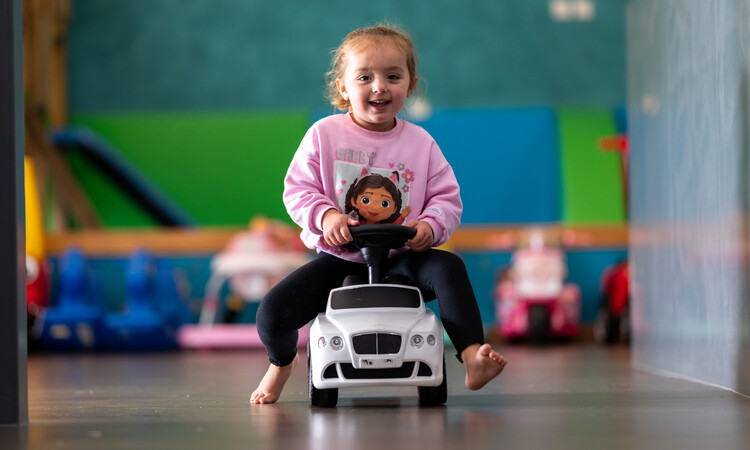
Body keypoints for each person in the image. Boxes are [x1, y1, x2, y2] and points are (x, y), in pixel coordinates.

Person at [251, 24, 507, 405]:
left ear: (411, 83)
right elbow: (298, 191)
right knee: (271, 314)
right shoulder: (324, 135)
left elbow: (447, 198)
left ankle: (471, 356)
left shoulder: (420, 143)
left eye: (392, 76)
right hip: (340, 258)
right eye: (365, 77)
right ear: (343, 87)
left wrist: (429, 225)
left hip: (405, 259)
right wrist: (325, 216)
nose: (379, 87)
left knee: (450, 267)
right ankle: (281, 363)